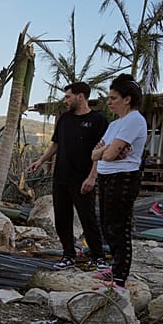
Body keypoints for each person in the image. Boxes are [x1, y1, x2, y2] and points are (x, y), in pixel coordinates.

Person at [28, 82, 109, 270]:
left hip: (83, 178)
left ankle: (98, 257)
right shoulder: (64, 119)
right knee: (62, 218)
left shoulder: (98, 120)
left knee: (88, 218)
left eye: (68, 96)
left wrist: (92, 177)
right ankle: (68, 255)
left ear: (81, 97)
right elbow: (55, 144)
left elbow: (102, 151)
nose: (66, 100)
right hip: (61, 177)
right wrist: (40, 161)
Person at [91, 74, 147, 288]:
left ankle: (121, 274)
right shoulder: (115, 124)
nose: (110, 102)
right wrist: (108, 150)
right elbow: (95, 154)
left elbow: (108, 154)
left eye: (114, 98)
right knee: (106, 223)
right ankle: (114, 266)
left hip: (123, 176)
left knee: (118, 225)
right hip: (106, 175)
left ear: (127, 99)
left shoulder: (134, 120)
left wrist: (108, 150)